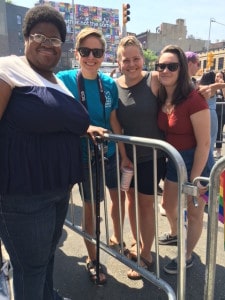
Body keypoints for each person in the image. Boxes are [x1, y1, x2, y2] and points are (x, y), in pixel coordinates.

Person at [0, 5, 90, 300]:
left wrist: (87, 128)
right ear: (25, 37)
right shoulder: (8, 69)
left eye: (55, 40)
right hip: (23, 196)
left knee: (47, 260)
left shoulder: (56, 82)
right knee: (31, 269)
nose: (47, 44)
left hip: (58, 191)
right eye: (40, 35)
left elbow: (60, 120)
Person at [57, 27, 127, 285]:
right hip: (79, 158)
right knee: (88, 209)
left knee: (106, 203)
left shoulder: (109, 84)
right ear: (77, 53)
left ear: (103, 55)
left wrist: (124, 155)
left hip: (107, 155)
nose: (91, 57)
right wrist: (83, 128)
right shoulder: (62, 79)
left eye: (97, 52)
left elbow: (113, 121)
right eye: (85, 51)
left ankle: (113, 242)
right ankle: (92, 259)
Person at [113, 35, 167, 280]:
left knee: (146, 205)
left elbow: (181, 95)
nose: (132, 64)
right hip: (127, 159)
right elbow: (116, 124)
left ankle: (146, 254)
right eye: (126, 60)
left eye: (136, 59)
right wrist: (123, 156)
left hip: (151, 158)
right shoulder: (114, 85)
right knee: (130, 201)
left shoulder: (154, 80)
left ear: (143, 59)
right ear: (119, 61)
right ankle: (137, 242)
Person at [156, 44, 213, 274]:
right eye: (161, 66)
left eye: (172, 66)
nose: (165, 70)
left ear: (182, 69)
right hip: (174, 160)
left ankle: (187, 255)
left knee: (195, 211)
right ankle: (176, 234)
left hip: (197, 161)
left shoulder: (195, 99)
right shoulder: (160, 92)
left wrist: (195, 179)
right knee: (168, 205)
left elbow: (205, 143)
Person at [214, 71, 225, 158]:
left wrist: (223, 86)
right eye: (217, 76)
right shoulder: (212, 86)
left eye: (220, 76)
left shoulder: (223, 87)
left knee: (219, 131)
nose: (218, 78)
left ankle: (218, 150)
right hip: (213, 112)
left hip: (221, 112)